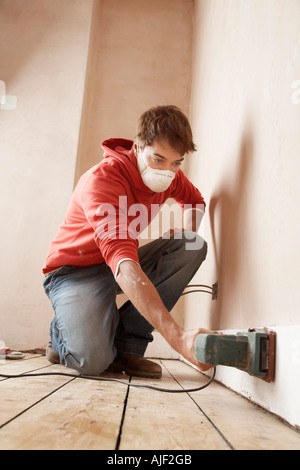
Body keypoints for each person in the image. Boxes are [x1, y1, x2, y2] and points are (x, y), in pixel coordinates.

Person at [42, 105, 216, 378]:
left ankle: (127, 346)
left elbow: (195, 201)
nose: (167, 171)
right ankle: (59, 333)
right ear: (137, 147)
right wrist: (178, 338)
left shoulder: (169, 177)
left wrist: (187, 231)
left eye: (176, 163)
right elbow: (122, 260)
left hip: (115, 266)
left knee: (191, 245)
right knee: (93, 363)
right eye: (158, 159)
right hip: (74, 273)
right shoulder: (103, 180)